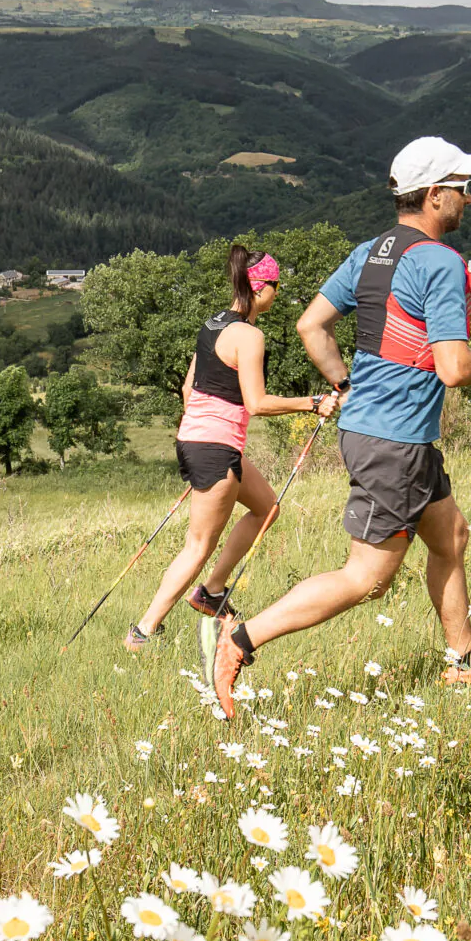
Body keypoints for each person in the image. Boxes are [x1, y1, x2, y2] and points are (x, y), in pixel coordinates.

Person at [211, 136, 471, 718]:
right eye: (461, 188)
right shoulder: (440, 263)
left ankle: (466, 662)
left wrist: (346, 385)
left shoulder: (373, 251)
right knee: (367, 578)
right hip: (394, 442)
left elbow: (312, 326)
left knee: (450, 537)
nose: (469, 198)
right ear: (435, 196)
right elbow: (455, 369)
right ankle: (238, 643)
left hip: (385, 432)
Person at [126, 245, 338, 651]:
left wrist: (199, 441)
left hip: (204, 442)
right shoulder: (249, 335)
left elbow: (190, 388)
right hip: (215, 447)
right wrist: (311, 403)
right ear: (261, 288)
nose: (277, 293)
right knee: (198, 545)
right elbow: (257, 403)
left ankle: (212, 591)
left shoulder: (213, 323)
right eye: (275, 285)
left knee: (266, 508)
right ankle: (143, 631)